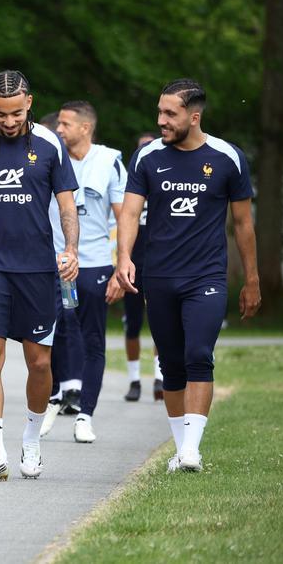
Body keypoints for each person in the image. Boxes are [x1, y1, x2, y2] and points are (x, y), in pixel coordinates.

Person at [115, 79, 260, 473]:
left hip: (206, 276)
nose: (161, 120)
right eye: (160, 112)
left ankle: (192, 451)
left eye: (170, 114)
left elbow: (243, 224)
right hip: (158, 276)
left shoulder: (228, 157)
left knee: (199, 354)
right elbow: (129, 213)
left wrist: (252, 280)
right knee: (172, 366)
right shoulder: (147, 158)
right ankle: (181, 450)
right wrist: (124, 257)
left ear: (193, 117)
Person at [0, 70, 78, 481]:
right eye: (2, 114)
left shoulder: (50, 144)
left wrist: (71, 250)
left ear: (30, 103)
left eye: (17, 113)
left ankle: (33, 439)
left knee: (39, 362)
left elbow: (67, 207)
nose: (9, 121)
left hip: (38, 268)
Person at [39, 101, 125, 444]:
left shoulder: (109, 162)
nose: (58, 130)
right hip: (52, 264)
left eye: (64, 124)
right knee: (52, 330)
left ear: (85, 128)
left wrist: (122, 267)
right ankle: (56, 396)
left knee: (93, 339)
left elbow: (125, 217)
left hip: (95, 264)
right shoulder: (47, 156)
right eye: (58, 124)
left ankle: (85, 415)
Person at [123, 131, 163, 402]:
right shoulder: (130, 191)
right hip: (133, 265)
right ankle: (134, 379)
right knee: (133, 325)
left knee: (161, 325)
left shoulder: (165, 187)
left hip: (159, 264)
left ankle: (160, 378)